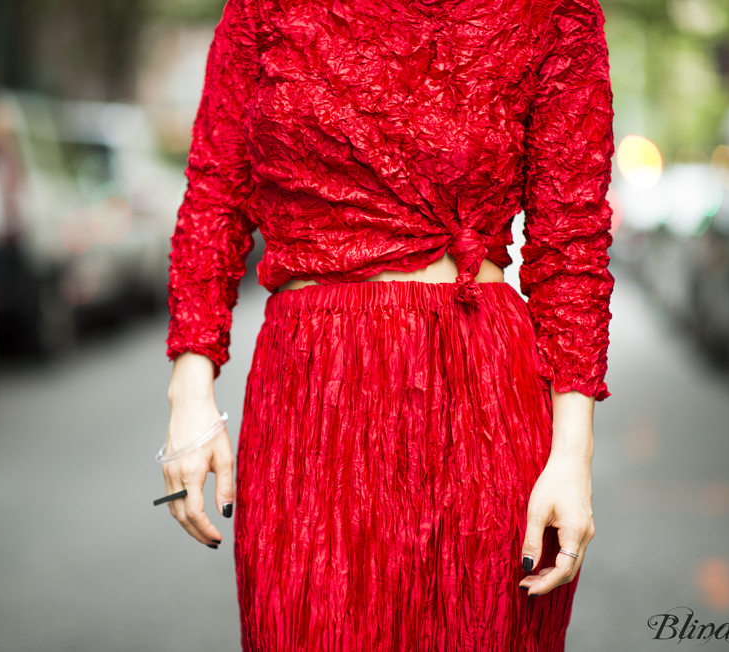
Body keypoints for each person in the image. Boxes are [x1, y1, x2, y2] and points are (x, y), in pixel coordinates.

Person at [158, 0, 614, 649]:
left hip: (477, 400)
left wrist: (574, 454)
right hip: (311, 398)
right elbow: (214, 194)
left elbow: (571, 235)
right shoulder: (264, 8)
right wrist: (190, 389)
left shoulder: (552, 11)